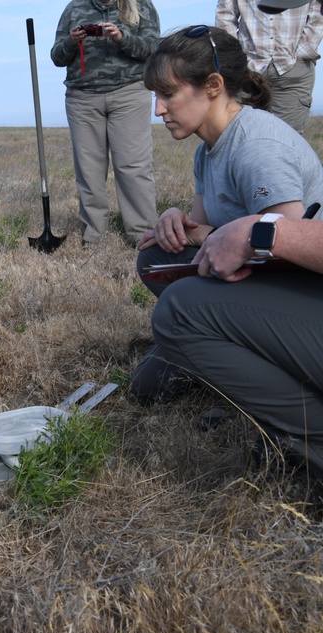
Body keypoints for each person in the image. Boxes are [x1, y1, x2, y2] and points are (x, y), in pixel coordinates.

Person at [131, 24, 323, 401]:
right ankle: (218, 343)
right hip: (260, 278)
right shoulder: (208, 148)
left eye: (168, 94)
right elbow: (205, 227)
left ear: (214, 86)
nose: (159, 109)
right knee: (155, 255)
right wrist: (177, 220)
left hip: (306, 288)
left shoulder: (257, 148)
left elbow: (286, 244)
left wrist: (200, 234)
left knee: (155, 376)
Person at [149, 211, 323, 478]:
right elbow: (200, 218)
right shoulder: (206, 167)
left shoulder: (259, 167)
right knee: (158, 265)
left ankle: (312, 440)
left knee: (180, 313)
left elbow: (286, 218)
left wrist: (265, 233)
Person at [51, 0, 160, 245]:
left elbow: (153, 49)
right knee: (89, 168)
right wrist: (71, 41)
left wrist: (122, 37)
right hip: (82, 98)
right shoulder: (73, 8)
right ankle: (93, 233)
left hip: (129, 93)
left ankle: (142, 234)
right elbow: (57, 56)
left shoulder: (142, 6)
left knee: (133, 165)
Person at [216, 0, 323, 134]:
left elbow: (318, 12)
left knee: (289, 137)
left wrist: (304, 50)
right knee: (239, 135)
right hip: (246, 69)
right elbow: (225, 15)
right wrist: (236, 56)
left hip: (294, 68)